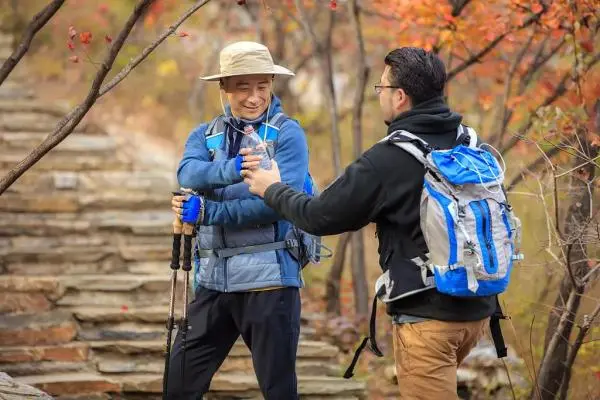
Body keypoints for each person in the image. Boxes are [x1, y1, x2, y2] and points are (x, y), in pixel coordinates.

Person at [240, 47, 502, 399]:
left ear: (399, 96)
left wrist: (271, 188)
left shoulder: (389, 158)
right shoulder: (469, 142)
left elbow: (318, 216)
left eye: (381, 88)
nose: (379, 95)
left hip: (427, 319)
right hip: (478, 311)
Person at [167, 41, 309, 399]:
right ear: (224, 87)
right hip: (213, 282)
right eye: (243, 87)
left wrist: (209, 212)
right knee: (179, 382)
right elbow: (188, 173)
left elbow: (278, 205)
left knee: (278, 389)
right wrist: (232, 169)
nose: (254, 97)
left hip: (271, 283)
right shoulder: (205, 134)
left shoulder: (288, 133)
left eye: (262, 86)